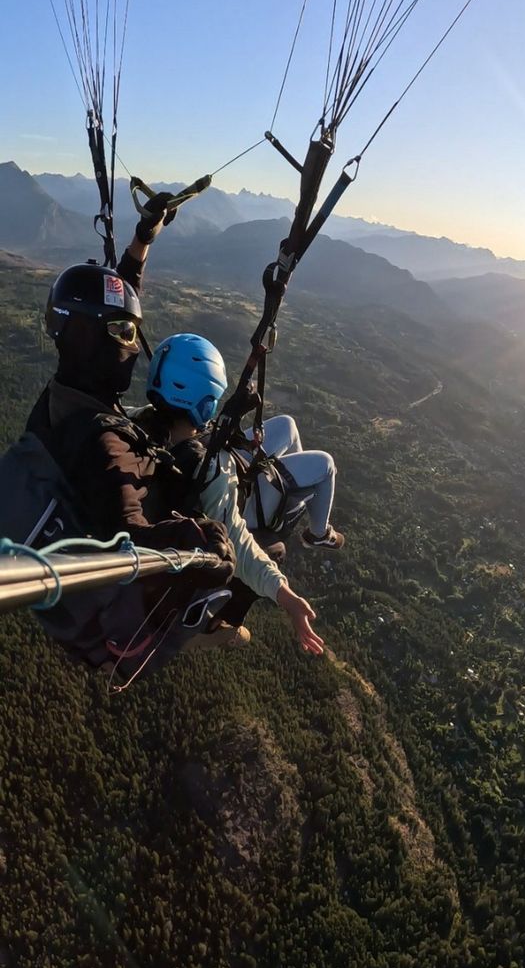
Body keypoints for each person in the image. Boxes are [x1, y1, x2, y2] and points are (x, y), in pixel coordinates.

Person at [25, 200, 239, 653]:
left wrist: (143, 240)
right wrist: (196, 540)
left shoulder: (72, 389)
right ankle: (221, 624)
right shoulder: (101, 443)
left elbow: (113, 307)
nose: (133, 343)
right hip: (132, 615)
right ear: (94, 341)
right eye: (123, 334)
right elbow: (133, 544)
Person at [137, 333, 326, 656]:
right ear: (207, 403)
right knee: (274, 545)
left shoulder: (136, 425)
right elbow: (239, 543)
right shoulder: (210, 467)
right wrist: (286, 596)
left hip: (152, 545)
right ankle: (216, 621)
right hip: (186, 573)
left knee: (287, 429)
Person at [242, 414, 345, 551]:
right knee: (326, 465)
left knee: (287, 424)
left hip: (223, 464)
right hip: (240, 499)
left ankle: (296, 496)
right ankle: (319, 534)